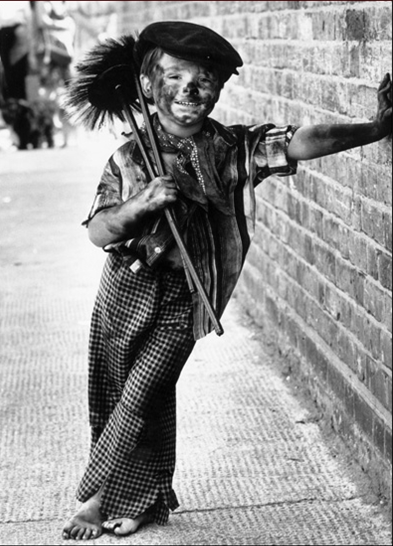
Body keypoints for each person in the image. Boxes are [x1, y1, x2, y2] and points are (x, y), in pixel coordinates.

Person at [62, 21, 392, 541]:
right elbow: (99, 232)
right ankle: (146, 499)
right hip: (123, 288)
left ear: (218, 89)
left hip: (184, 298)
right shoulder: (129, 157)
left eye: (204, 79)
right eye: (175, 76)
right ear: (148, 86)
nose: (191, 89)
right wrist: (141, 203)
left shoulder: (231, 150)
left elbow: (299, 142)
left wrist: (374, 128)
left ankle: (95, 497)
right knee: (113, 390)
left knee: (142, 393)